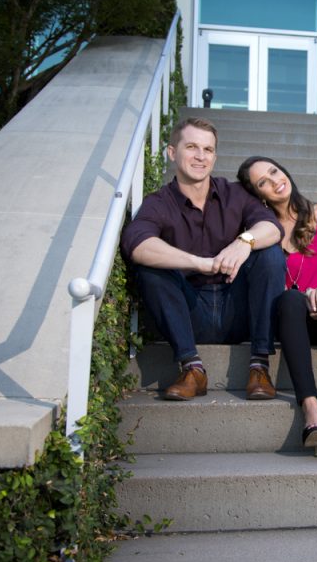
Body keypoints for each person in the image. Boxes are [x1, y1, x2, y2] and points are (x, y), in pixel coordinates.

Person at [121, 118, 286, 401]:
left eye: (208, 149)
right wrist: (200, 263)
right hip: (189, 311)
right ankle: (192, 369)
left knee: (269, 253)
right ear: (172, 152)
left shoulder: (236, 194)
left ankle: (259, 367)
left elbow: (272, 228)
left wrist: (243, 242)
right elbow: (136, 243)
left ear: (215, 156)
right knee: (151, 267)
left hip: (238, 310)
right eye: (192, 147)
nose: (200, 156)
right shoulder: (158, 202)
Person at [237, 156, 317, 457]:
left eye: (274, 171)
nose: (275, 181)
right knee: (290, 299)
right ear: (258, 195)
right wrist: (305, 298)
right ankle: (310, 408)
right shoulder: (265, 232)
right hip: (297, 321)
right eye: (263, 182)